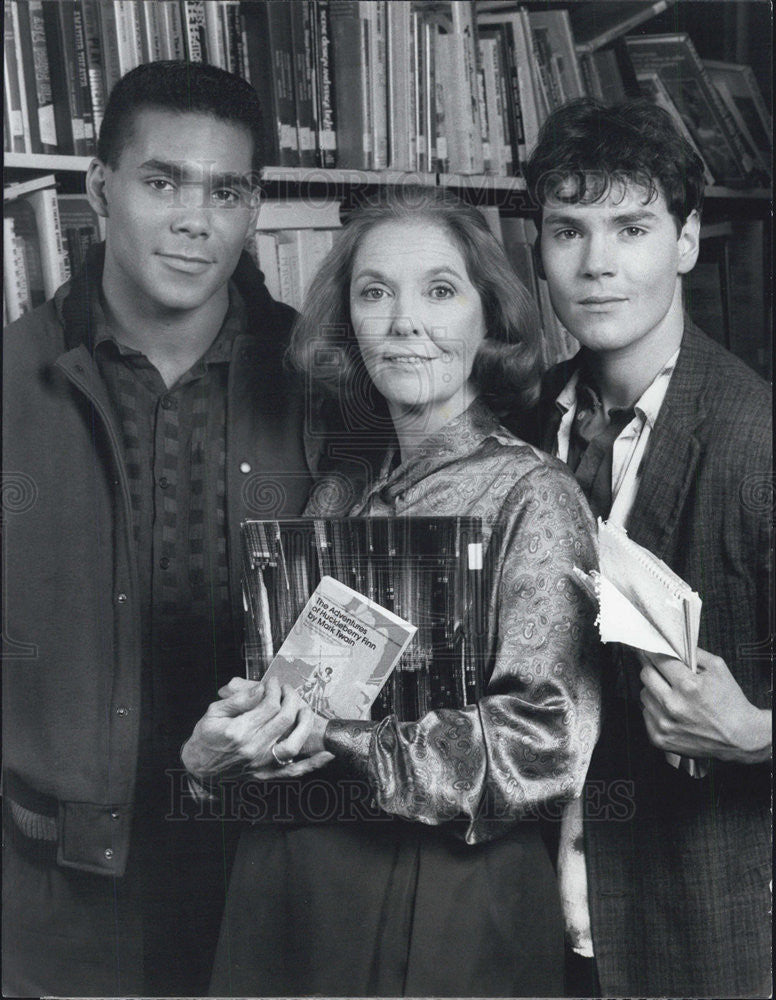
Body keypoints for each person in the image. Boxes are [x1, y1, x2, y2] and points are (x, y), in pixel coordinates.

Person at [182, 187, 602, 997]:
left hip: (448, 891)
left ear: (491, 319)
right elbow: (299, 695)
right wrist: (222, 751)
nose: (405, 321)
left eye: (439, 291)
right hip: (295, 878)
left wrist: (340, 739)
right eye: (375, 292)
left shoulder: (533, 494)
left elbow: (545, 742)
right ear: (349, 323)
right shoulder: (342, 488)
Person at [2, 61, 314, 997]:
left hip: (275, 881)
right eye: (162, 180)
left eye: (227, 190)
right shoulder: (11, 384)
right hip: (54, 897)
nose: (195, 219)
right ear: (100, 190)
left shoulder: (328, 387)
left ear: (255, 208)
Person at [517, 98, 772, 998]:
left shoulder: (757, 439)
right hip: (529, 918)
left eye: (631, 226)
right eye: (567, 230)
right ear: (537, 248)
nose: (597, 264)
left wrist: (756, 733)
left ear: (688, 240)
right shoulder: (520, 422)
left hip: (698, 929)